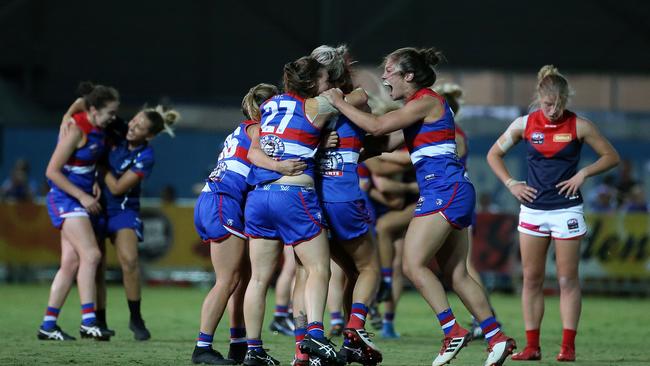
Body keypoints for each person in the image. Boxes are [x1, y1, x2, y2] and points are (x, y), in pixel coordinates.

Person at [324, 47, 516, 366]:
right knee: (456, 273)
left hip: (444, 189)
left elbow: (376, 127)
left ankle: (452, 330)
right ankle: (497, 338)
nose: (384, 76)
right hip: (452, 189)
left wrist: (339, 102)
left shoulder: (426, 100)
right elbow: (384, 143)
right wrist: (345, 151)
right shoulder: (419, 108)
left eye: (389, 70)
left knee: (413, 265)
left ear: (408, 76)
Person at [486, 65, 620, 362]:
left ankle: (568, 347)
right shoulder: (523, 124)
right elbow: (493, 154)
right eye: (548, 104)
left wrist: (584, 173)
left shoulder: (579, 125)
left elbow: (611, 156)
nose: (554, 110)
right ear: (538, 98)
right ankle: (532, 347)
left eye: (560, 104)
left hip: (566, 211)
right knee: (531, 279)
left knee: (566, 280)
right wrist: (511, 183)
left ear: (566, 99)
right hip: (532, 211)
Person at [242, 56, 344, 366]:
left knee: (258, 279)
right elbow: (356, 98)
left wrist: (276, 165)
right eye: (326, 79)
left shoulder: (271, 104)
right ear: (313, 84)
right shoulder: (318, 105)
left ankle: (254, 351)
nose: (329, 85)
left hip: (259, 197)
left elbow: (253, 151)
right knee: (318, 268)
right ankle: (314, 334)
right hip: (294, 195)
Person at [192, 83, 300, 365]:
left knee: (239, 278)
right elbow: (263, 157)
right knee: (227, 280)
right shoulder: (258, 130)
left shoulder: (244, 128)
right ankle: (202, 348)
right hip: (222, 201)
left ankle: (238, 344)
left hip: (219, 200)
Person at [311, 44, 383, 365]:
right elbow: (371, 125)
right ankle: (354, 329)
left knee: (319, 272)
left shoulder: (301, 108)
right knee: (369, 267)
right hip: (342, 198)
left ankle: (309, 344)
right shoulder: (352, 100)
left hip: (307, 202)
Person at [39, 82, 119, 341]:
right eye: (110, 112)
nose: (113, 117)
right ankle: (88, 321)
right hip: (66, 200)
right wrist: (83, 195)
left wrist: (92, 182)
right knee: (92, 255)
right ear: (94, 110)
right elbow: (51, 171)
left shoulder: (97, 128)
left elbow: (82, 166)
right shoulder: (76, 128)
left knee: (71, 263)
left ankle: (48, 325)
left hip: (76, 199)